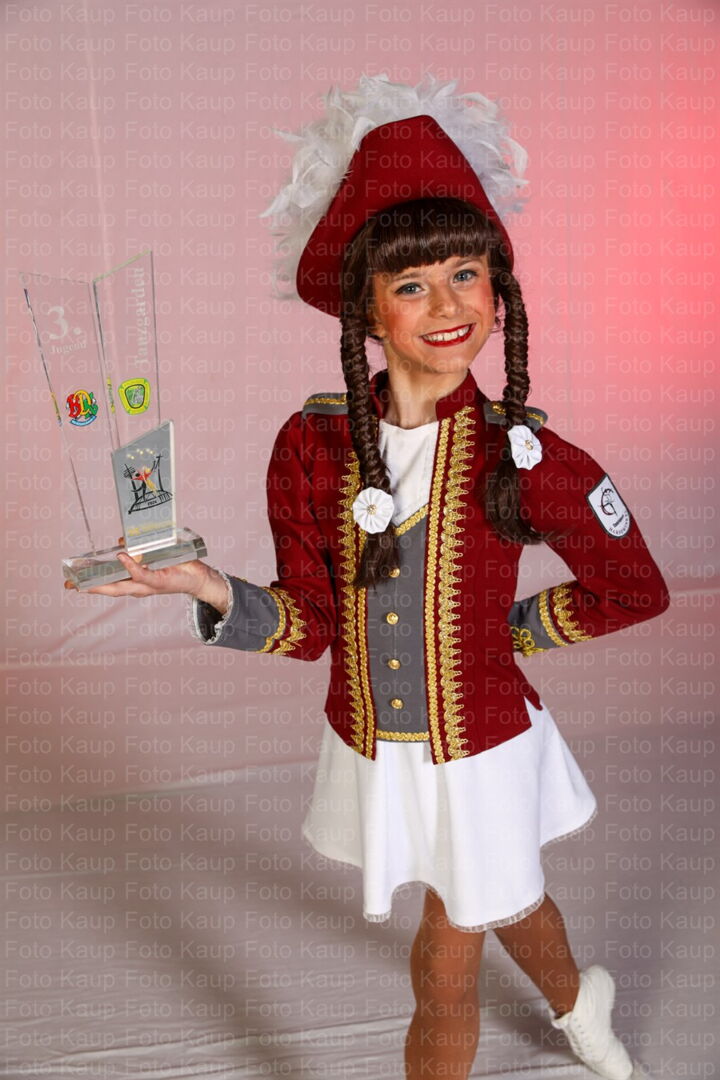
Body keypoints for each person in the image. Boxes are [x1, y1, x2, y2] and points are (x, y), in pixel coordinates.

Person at [75, 75, 669, 1080]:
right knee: (505, 899)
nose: (448, 306)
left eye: (467, 274)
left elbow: (634, 587)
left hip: (482, 750)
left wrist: (510, 631)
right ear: (368, 312)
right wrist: (206, 588)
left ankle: (571, 1012)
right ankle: (582, 1005)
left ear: (498, 293)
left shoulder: (524, 456)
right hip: (378, 745)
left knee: (444, 962)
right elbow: (311, 624)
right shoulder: (311, 447)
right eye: (412, 285)